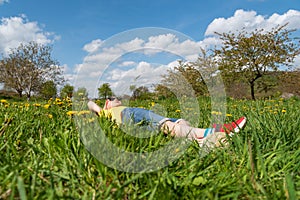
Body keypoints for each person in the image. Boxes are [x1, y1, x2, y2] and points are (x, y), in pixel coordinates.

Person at [87, 97, 247, 147]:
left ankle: (202, 142)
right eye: (115, 99)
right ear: (107, 103)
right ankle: (207, 132)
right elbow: (90, 105)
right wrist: (99, 106)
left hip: (134, 130)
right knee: (161, 122)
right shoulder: (107, 112)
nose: (119, 101)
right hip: (128, 117)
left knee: (179, 122)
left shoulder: (116, 110)